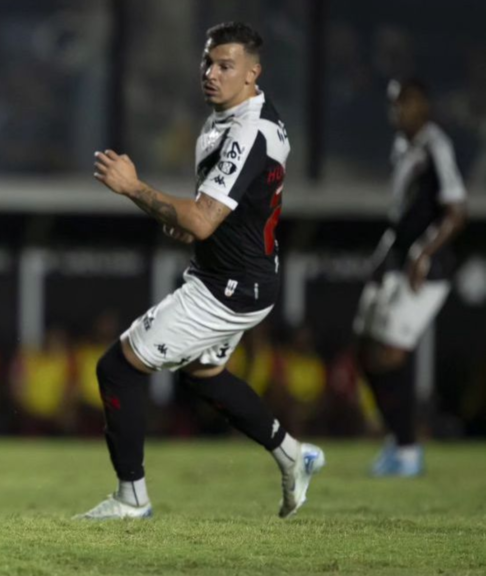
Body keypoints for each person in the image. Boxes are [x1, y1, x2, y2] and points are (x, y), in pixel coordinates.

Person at [79, 22, 324, 520]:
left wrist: (133, 187)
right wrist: (193, 222)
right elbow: (214, 214)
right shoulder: (230, 118)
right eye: (208, 63)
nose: (211, 73)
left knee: (117, 367)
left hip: (227, 288)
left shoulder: (246, 130)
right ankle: (293, 455)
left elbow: (201, 217)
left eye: (226, 65)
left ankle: (132, 500)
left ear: (253, 74)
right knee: (204, 373)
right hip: (240, 276)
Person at [353, 79, 467, 477]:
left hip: (427, 269)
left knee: (390, 352)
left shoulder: (436, 146)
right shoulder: (402, 147)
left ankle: (407, 449)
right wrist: (384, 254)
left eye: (406, 103)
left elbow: (455, 211)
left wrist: (423, 252)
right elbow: (402, 216)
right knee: (364, 348)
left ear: (425, 106)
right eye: (394, 103)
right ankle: (398, 439)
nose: (398, 110)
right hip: (396, 261)